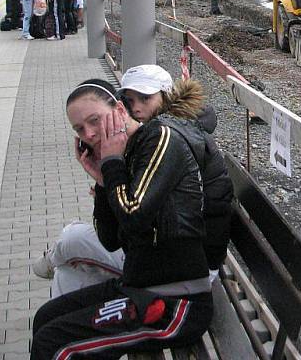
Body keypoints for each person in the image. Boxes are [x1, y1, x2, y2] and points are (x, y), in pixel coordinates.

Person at [30, 77, 214, 358]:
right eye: (79, 129)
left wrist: (111, 163)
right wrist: (103, 181)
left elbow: (134, 215)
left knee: (55, 344)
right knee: (45, 318)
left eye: (94, 120)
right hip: (139, 288)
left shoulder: (160, 139)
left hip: (177, 302)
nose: (88, 134)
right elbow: (111, 240)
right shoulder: (125, 151)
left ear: (118, 109)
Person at [32, 65, 233, 296]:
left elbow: (131, 215)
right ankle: (60, 273)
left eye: (145, 98)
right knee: (68, 271)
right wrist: (105, 182)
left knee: (72, 238)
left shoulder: (166, 138)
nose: (136, 107)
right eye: (129, 100)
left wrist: (111, 169)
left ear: (166, 96)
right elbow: (117, 232)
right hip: (162, 254)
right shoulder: (155, 136)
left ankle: (53, 258)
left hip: (185, 265)